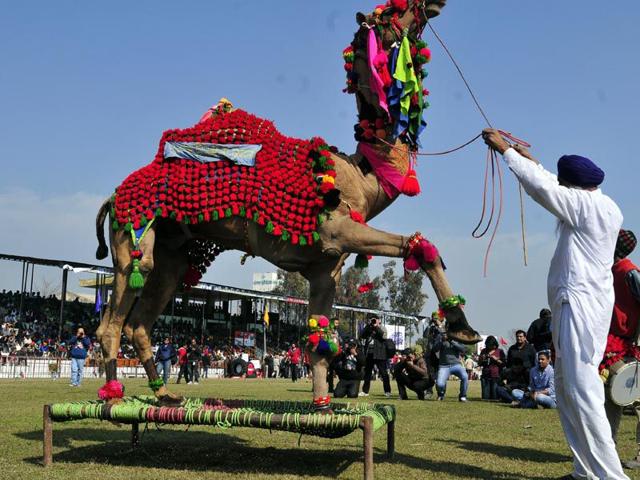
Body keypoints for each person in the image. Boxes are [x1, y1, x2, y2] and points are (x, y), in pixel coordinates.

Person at [483, 129, 627, 479]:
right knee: (566, 388)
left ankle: (610, 476)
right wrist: (529, 161)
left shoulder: (586, 207)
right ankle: (585, 472)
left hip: (580, 305)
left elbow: (544, 188)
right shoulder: (594, 202)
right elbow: (553, 183)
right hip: (574, 304)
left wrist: (507, 154)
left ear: (574, 187)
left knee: (583, 389)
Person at [602, 230, 640, 469]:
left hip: (629, 342)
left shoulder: (629, 272)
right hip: (612, 342)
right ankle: (608, 449)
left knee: (635, 398)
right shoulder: (607, 271)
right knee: (612, 396)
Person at [359, 316, 391, 398]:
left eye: (375, 319)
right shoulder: (369, 328)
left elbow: (383, 336)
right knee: (368, 373)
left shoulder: (382, 328)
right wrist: (368, 326)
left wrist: (376, 327)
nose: (373, 321)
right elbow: (362, 335)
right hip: (369, 352)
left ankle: (387, 391)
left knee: (383, 373)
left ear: (379, 320)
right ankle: (365, 391)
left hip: (380, 353)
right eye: (372, 319)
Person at [433, 331, 468, 402]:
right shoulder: (440, 335)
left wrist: (451, 340)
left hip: (456, 365)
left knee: (465, 377)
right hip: (444, 366)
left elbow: (463, 349)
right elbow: (434, 349)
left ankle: (462, 396)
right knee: (439, 384)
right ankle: (441, 394)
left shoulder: (457, 336)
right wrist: (441, 341)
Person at [478, 335, 505, 400]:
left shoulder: (500, 351)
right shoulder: (483, 351)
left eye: (491, 345)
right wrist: (482, 358)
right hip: (485, 375)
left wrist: (496, 359)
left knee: (495, 397)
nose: (490, 347)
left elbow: (504, 364)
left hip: (496, 376)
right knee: (485, 397)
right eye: (488, 345)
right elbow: (479, 363)